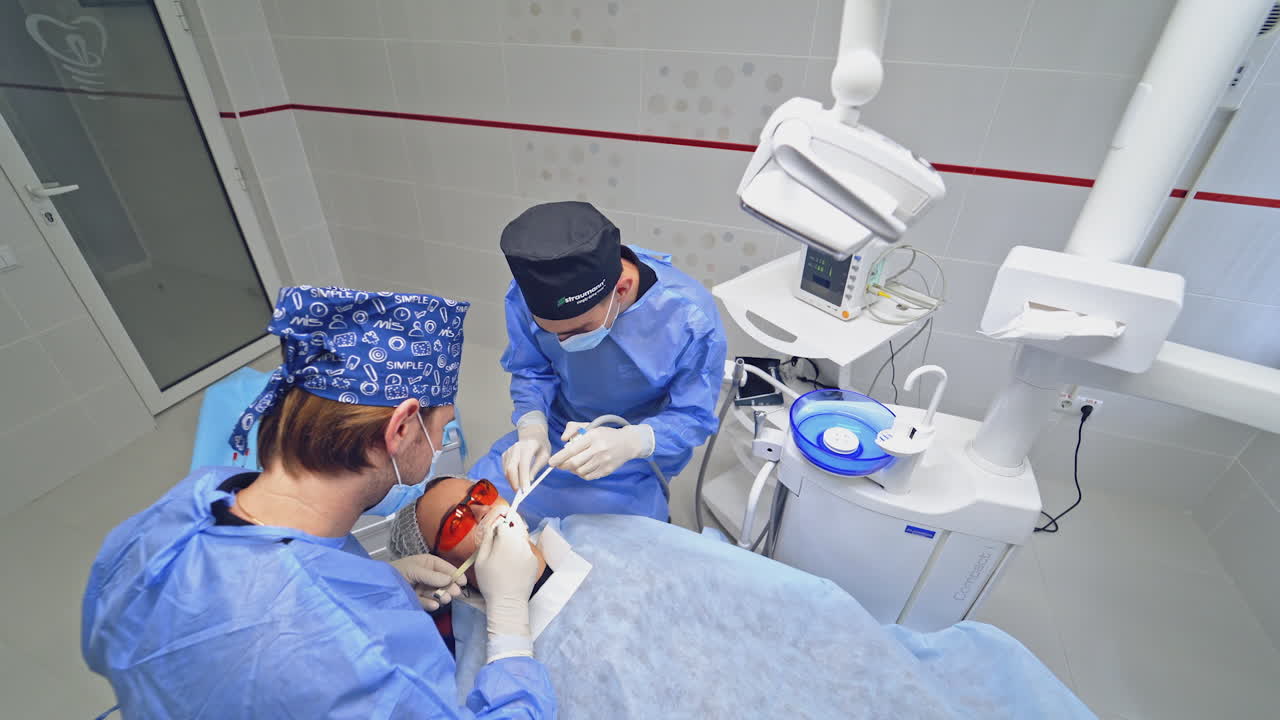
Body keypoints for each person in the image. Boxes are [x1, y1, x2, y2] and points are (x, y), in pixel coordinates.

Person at [81, 286, 556, 719]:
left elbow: (112, 648)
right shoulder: (361, 663)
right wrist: (511, 621)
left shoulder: (191, 502)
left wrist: (377, 584)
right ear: (403, 427)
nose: (440, 440)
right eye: (439, 425)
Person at [389, 477, 1094, 719]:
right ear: (445, 566)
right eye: (458, 522)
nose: (483, 517)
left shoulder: (602, 531)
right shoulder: (490, 657)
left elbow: (782, 600)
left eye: (480, 496)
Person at [469, 201, 728, 524]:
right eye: (554, 333)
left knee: (626, 551)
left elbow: (693, 416)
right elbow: (531, 370)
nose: (566, 344)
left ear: (622, 289)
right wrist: (532, 428)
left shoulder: (689, 318)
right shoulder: (527, 295)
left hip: (633, 459)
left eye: (579, 330)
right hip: (554, 437)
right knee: (474, 508)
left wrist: (632, 441)